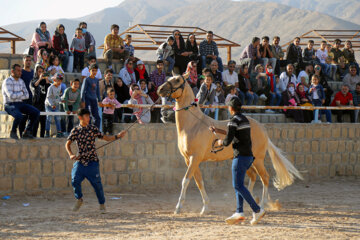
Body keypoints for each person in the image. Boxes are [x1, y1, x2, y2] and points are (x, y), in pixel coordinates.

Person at [209, 97, 265, 225]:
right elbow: (233, 134)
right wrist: (217, 131)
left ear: (231, 108)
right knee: (239, 184)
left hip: (240, 156)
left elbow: (228, 141)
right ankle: (239, 211)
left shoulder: (233, 120)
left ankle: (257, 210)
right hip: (248, 156)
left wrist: (219, 142)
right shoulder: (244, 119)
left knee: (238, 185)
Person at [65, 108, 127, 213]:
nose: (89, 118)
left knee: (97, 185)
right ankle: (79, 199)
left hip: (92, 162)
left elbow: (105, 138)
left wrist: (117, 136)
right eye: (86, 116)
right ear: (80, 117)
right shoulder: (75, 130)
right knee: (74, 180)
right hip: (80, 162)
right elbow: (67, 144)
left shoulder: (93, 128)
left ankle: (102, 204)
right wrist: (71, 154)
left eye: (89, 116)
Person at [2, 64, 40, 139]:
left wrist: (18, 94)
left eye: (21, 71)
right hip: (9, 104)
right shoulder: (7, 81)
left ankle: (27, 131)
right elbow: (11, 96)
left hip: (20, 103)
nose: (20, 73)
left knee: (36, 112)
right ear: (12, 71)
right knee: (19, 116)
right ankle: (13, 132)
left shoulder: (21, 81)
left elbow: (27, 95)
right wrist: (21, 93)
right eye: (18, 71)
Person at [30, 66, 50, 138]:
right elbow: (34, 85)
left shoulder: (45, 81)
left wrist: (46, 77)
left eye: (42, 72)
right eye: (39, 72)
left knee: (43, 122)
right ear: (36, 72)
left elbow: (48, 87)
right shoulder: (34, 80)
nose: (41, 73)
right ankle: (34, 136)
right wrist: (40, 78)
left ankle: (42, 137)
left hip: (43, 104)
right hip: (36, 103)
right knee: (36, 123)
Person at [80, 64, 101, 128]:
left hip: (94, 100)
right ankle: (87, 130)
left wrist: (99, 100)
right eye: (93, 70)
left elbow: (97, 91)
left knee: (97, 117)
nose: (94, 72)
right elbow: (83, 91)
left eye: (96, 71)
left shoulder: (97, 80)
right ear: (89, 71)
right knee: (88, 116)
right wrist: (83, 101)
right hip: (87, 99)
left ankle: (95, 131)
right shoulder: (86, 79)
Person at [19, 55, 35, 137]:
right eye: (27, 60)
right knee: (23, 118)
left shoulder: (33, 72)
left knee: (31, 116)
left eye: (29, 60)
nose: (28, 62)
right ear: (23, 61)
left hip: (31, 98)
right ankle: (21, 135)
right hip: (22, 98)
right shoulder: (21, 72)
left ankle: (28, 133)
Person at [45, 73, 64, 138]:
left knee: (58, 118)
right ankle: (47, 132)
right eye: (58, 80)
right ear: (54, 80)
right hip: (49, 105)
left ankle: (59, 132)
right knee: (49, 117)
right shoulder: (50, 88)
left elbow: (58, 96)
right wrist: (51, 104)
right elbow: (48, 98)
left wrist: (60, 100)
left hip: (56, 104)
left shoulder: (60, 86)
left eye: (60, 80)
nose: (59, 82)